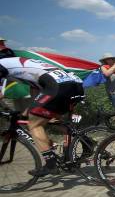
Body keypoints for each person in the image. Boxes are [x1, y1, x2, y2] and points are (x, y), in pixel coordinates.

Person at [0, 48, 84, 176]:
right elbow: (37, 92)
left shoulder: (3, 64)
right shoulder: (27, 63)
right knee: (49, 118)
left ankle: (51, 164)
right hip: (74, 85)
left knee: (34, 124)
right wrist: (26, 112)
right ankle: (85, 141)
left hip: (56, 87)